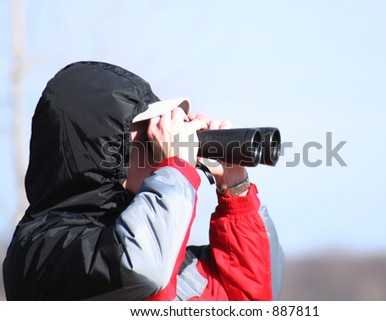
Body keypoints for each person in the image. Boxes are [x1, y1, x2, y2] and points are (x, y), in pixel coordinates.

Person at [3, 61, 284, 300]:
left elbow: (253, 298)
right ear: (104, 150)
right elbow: (141, 270)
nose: (160, 145)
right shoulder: (40, 249)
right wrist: (175, 166)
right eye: (150, 134)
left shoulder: (158, 246)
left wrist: (235, 190)